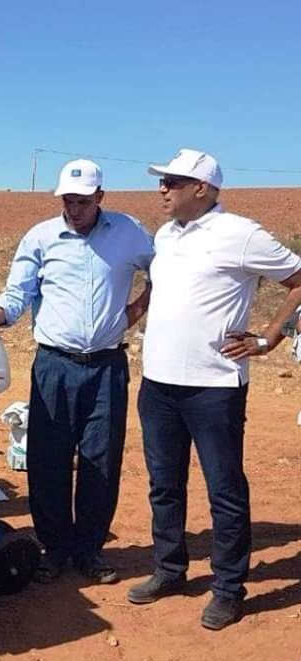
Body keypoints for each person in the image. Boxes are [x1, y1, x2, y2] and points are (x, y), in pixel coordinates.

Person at [129, 149, 301, 630]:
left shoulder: (241, 234)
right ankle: (169, 570)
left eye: (172, 182)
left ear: (201, 187)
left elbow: (298, 278)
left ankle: (228, 588)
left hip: (214, 386)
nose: (162, 189)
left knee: (224, 490)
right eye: (162, 181)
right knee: (165, 484)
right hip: (158, 383)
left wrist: (270, 337)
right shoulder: (165, 235)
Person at [0, 159, 154, 584]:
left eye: (83, 202)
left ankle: (89, 550)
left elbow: (163, 269)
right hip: (54, 365)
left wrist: (139, 308)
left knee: (100, 460)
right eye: (68, 200)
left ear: (100, 198)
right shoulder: (41, 237)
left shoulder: (129, 233)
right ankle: (54, 548)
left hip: (106, 366)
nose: (74, 209)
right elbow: (16, 295)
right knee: (47, 458)